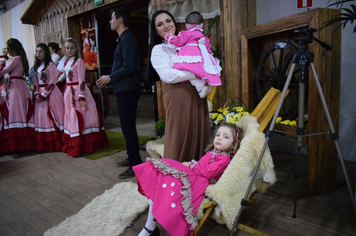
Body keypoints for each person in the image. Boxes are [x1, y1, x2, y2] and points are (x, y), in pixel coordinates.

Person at [133, 122, 241, 236]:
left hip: (204, 182)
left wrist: (190, 164)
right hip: (197, 176)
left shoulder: (224, 159)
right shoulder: (212, 152)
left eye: (225, 137)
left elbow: (206, 173)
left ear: (233, 144)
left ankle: (150, 227)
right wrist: (192, 165)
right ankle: (152, 213)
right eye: (218, 135)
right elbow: (201, 165)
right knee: (168, 171)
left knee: (173, 174)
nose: (219, 138)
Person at [148, 10, 211, 162]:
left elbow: (205, 61)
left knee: (200, 133)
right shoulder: (159, 50)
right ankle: (176, 177)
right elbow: (168, 75)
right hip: (177, 96)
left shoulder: (188, 42)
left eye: (168, 21)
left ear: (174, 23)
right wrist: (196, 73)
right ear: (156, 31)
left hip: (196, 94)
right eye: (160, 24)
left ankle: (199, 177)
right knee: (179, 137)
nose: (166, 25)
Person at [96, 7, 142, 179]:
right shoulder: (123, 39)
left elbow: (129, 67)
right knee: (126, 127)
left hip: (128, 88)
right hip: (124, 88)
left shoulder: (127, 39)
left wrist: (110, 77)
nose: (110, 21)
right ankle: (132, 158)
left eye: (112, 18)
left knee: (128, 127)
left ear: (120, 20)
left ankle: (136, 164)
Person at [57, 38, 109, 157]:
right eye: (67, 48)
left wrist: (81, 97)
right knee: (71, 116)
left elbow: (81, 80)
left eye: (72, 48)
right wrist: (58, 80)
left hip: (77, 91)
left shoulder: (79, 62)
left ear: (76, 49)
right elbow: (65, 74)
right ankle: (74, 141)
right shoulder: (66, 62)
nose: (69, 50)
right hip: (68, 91)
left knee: (81, 115)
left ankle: (84, 144)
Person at [164, 11, 222, 98]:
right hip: (201, 57)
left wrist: (170, 38)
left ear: (187, 25)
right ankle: (205, 85)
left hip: (187, 55)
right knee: (201, 73)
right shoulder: (204, 37)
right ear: (201, 24)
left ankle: (200, 86)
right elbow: (208, 50)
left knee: (186, 72)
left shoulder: (186, 33)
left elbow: (179, 42)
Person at [0, 38, 36, 153]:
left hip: (16, 88)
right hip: (17, 87)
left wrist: (3, 57)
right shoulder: (19, 59)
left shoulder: (16, 59)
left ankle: (19, 145)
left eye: (9, 49)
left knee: (15, 113)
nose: (8, 51)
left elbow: (2, 71)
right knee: (17, 112)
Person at [33, 43, 65, 152]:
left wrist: (43, 94)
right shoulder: (37, 66)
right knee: (41, 118)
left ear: (46, 52)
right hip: (40, 94)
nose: (38, 54)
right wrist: (36, 93)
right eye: (37, 51)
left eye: (41, 51)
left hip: (51, 93)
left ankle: (56, 143)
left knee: (54, 116)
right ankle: (45, 145)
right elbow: (35, 82)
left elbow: (52, 82)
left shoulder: (51, 65)